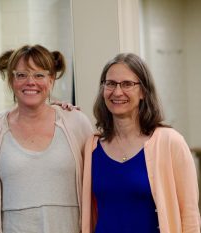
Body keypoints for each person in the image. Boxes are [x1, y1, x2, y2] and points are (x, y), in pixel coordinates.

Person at [0, 44, 93, 233]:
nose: (30, 82)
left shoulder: (76, 122)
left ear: (51, 79)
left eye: (39, 75)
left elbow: (99, 177)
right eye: (21, 75)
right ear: (11, 80)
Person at [81, 53, 200, 233]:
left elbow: (189, 215)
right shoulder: (92, 147)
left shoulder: (170, 142)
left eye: (127, 84)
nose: (117, 92)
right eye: (110, 83)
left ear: (143, 91)